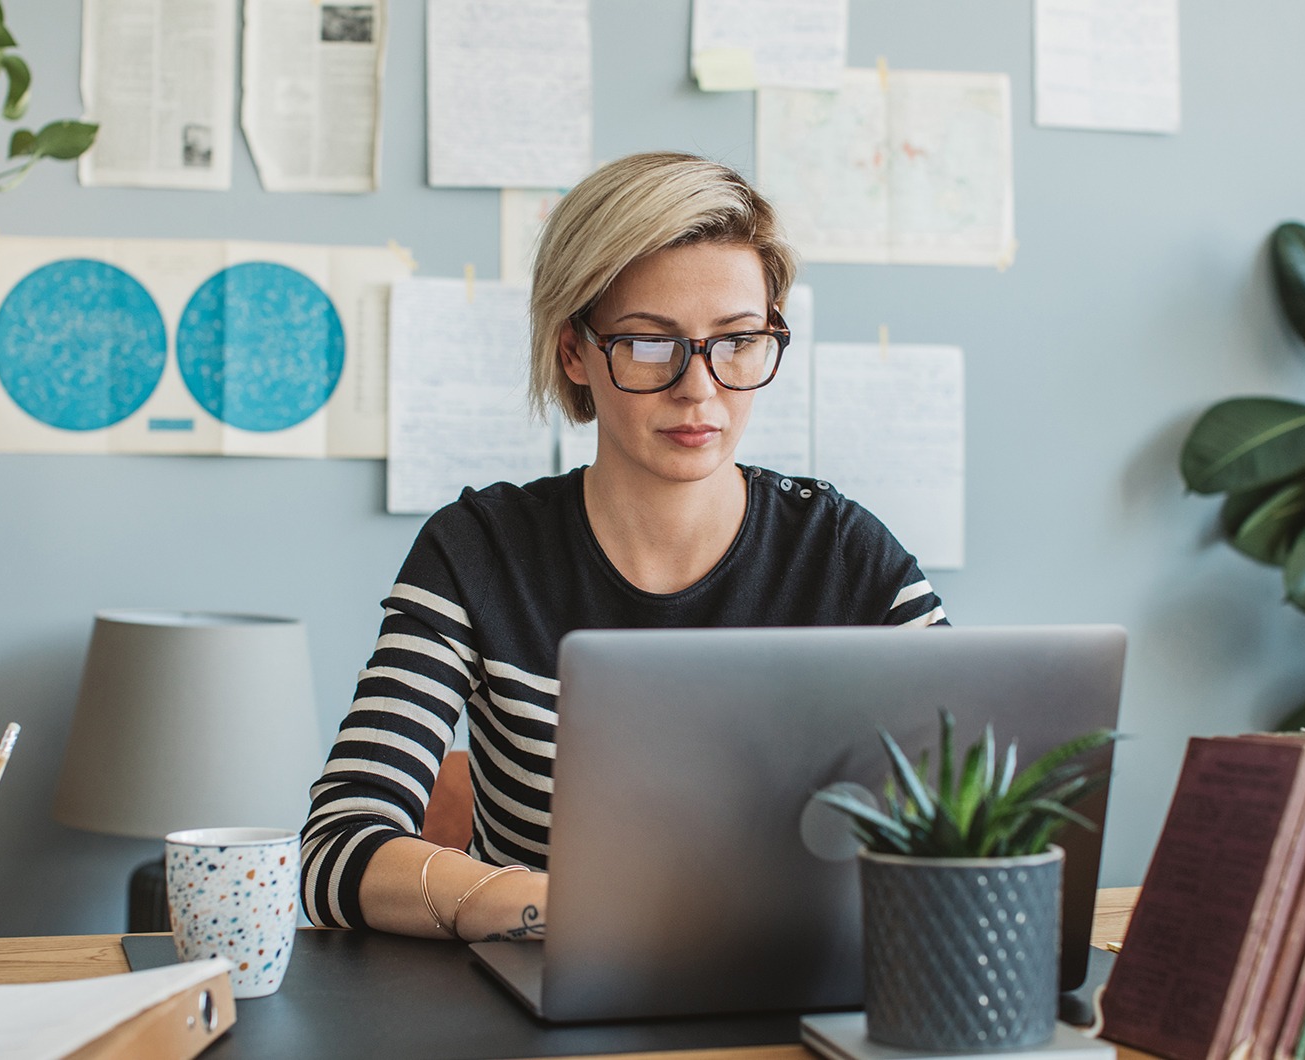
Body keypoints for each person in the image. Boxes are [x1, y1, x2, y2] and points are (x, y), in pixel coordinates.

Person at [301, 151, 947, 942]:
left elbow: (976, 815)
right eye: (648, 344)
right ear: (574, 349)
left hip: (795, 991)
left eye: (737, 341)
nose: (699, 389)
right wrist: (564, 910)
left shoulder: (842, 554)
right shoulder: (478, 554)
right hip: (551, 995)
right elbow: (337, 850)